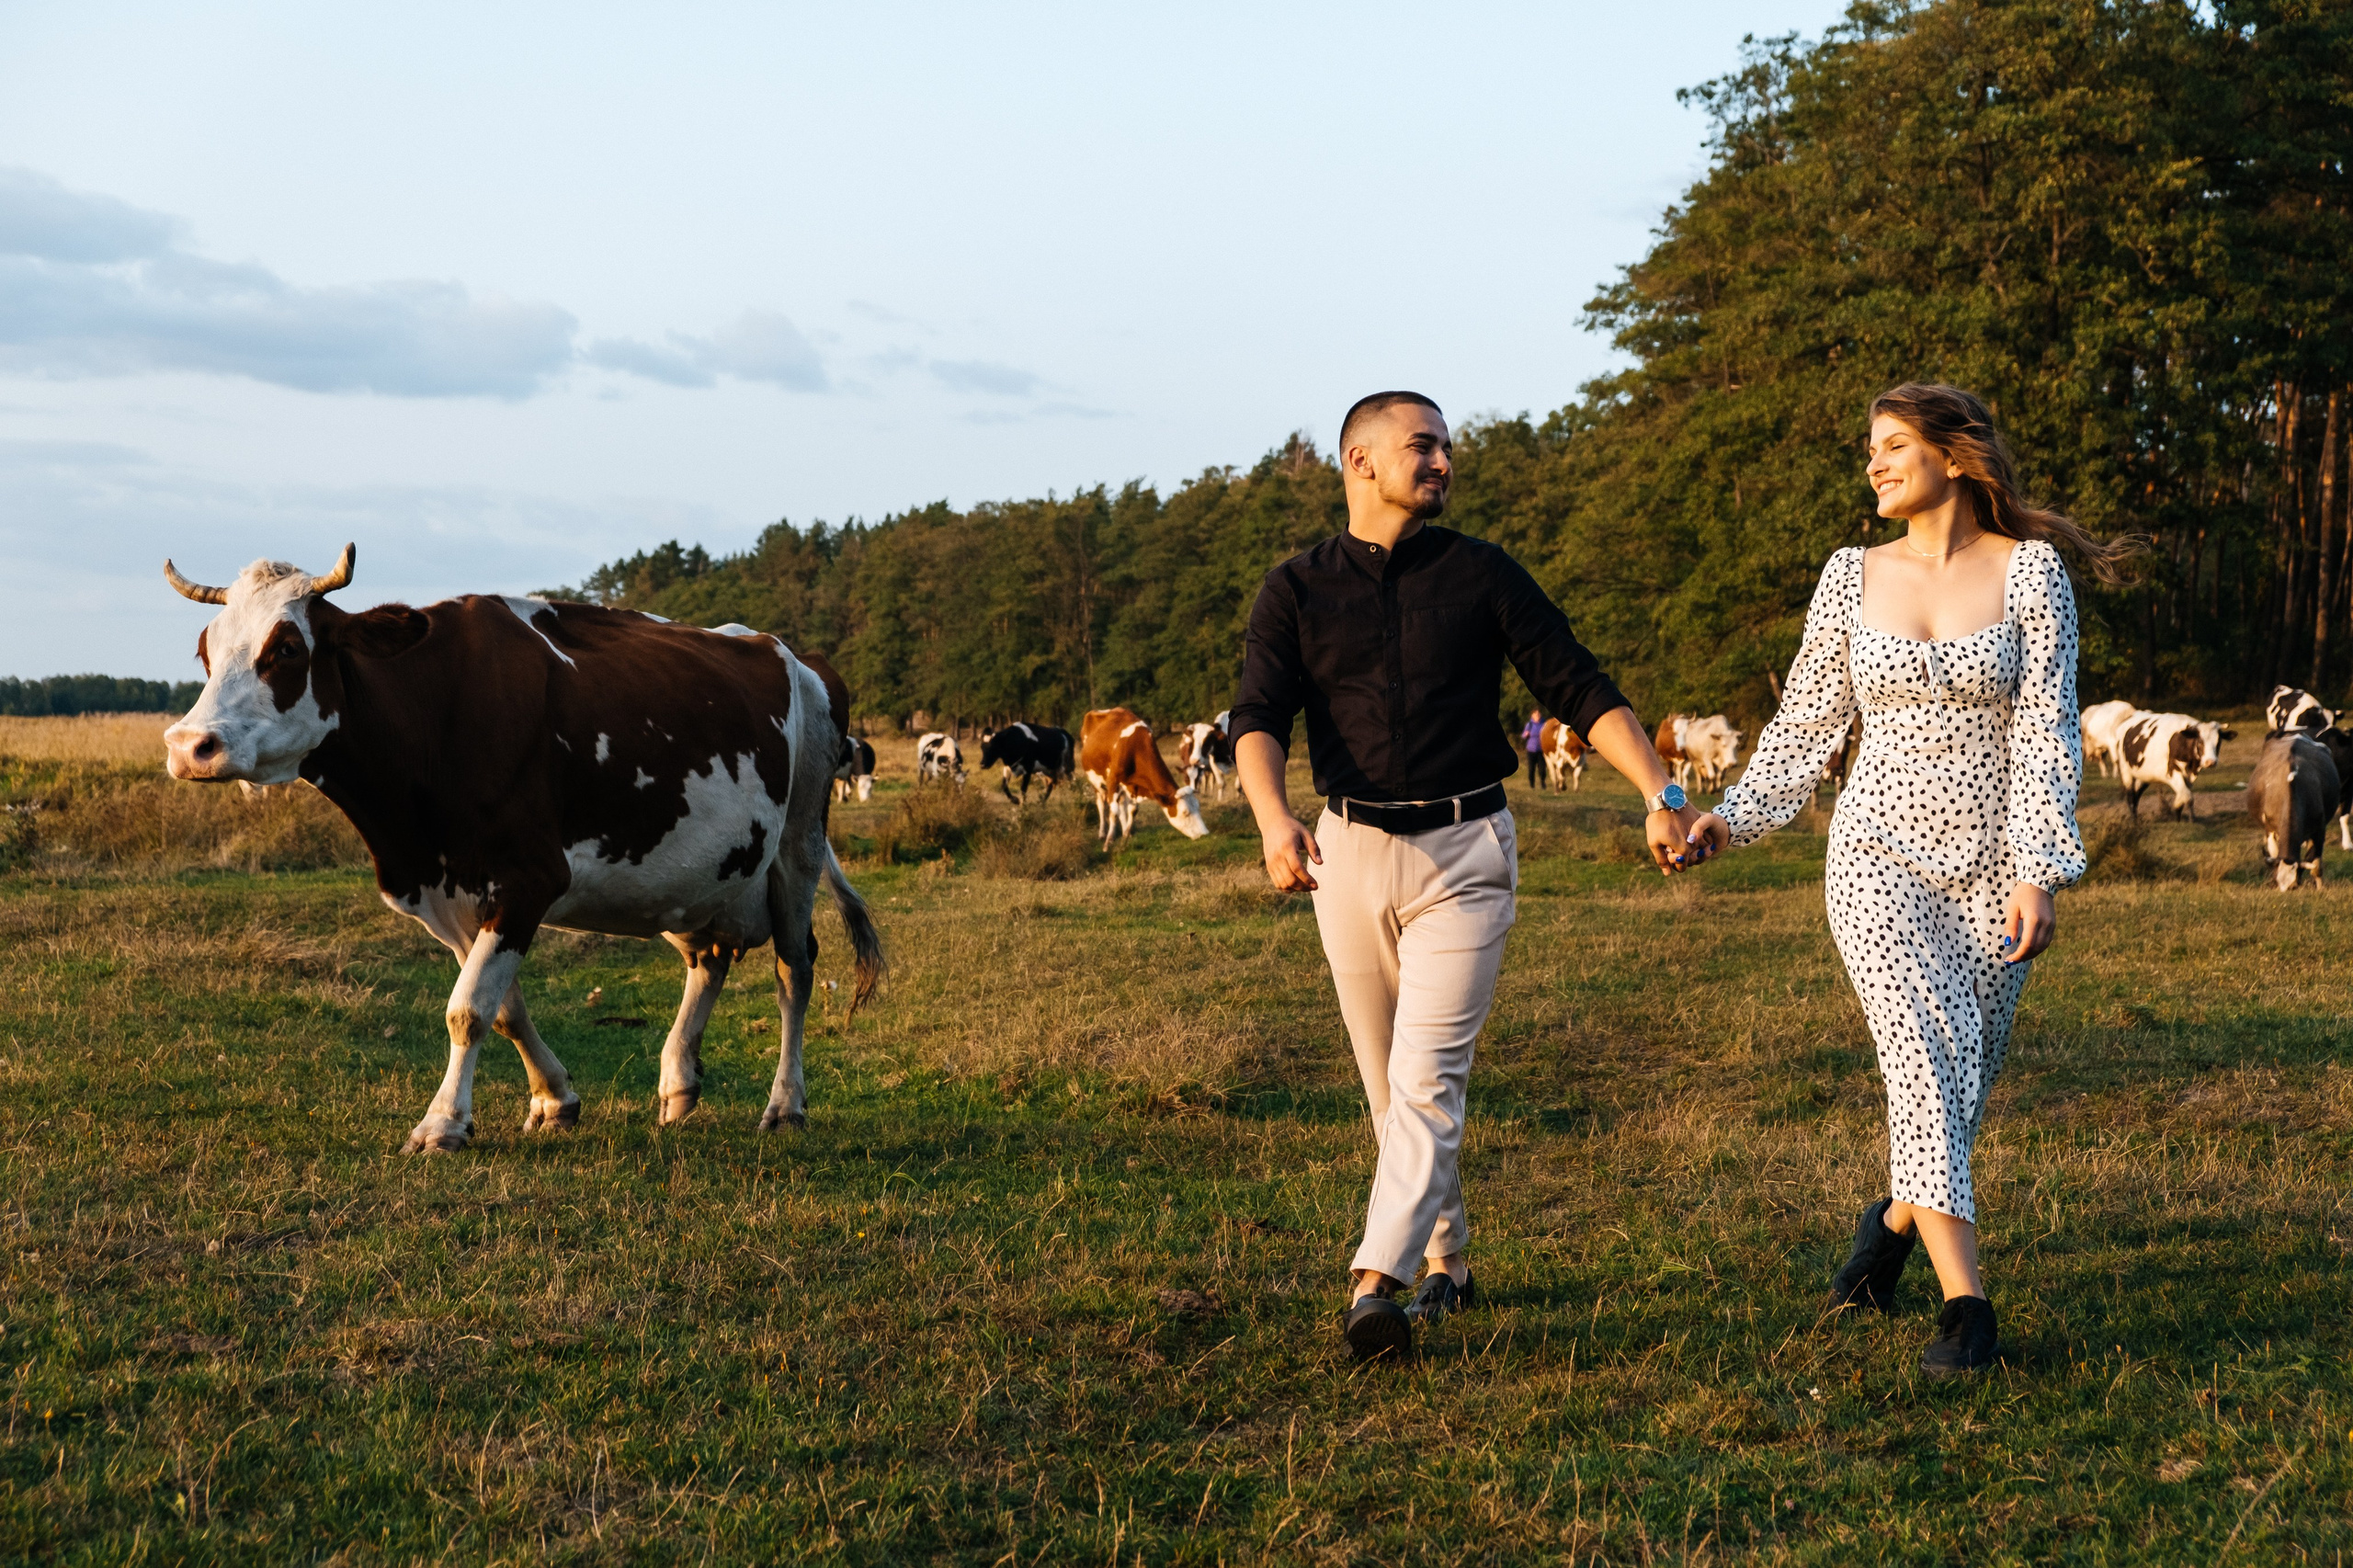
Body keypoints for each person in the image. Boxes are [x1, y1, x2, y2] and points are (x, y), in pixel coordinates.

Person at [1229, 390, 1711, 1364]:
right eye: (1423, 445)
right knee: (1384, 1084)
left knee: (1426, 1073)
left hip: (1466, 851)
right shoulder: (1296, 587)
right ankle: (1446, 1256)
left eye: (1447, 446)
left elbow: (1576, 681)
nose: (1443, 460)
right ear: (1359, 461)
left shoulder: (1483, 574)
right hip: (1345, 853)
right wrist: (1273, 817)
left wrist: (1659, 789)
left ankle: (1377, 1284)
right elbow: (1257, 716)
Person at [1687, 382, 2133, 1378]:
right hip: (1876, 855)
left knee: (1958, 1078)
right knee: (1923, 1059)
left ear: (1954, 455)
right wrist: (1737, 815)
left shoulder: (2030, 572)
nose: (1874, 464)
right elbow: (1807, 721)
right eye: (1870, 449)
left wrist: (2037, 870)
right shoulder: (1850, 575)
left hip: (1991, 867)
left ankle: (1885, 1231)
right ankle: (1966, 1308)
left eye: (1893, 445)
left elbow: (2046, 728)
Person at [1520, 708, 1546, 788]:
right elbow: (1523, 736)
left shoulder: (1544, 724)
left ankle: (1542, 782)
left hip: (1541, 750)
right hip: (1531, 750)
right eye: (1536, 714)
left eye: (1539, 714)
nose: (1538, 715)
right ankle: (1532, 785)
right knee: (1531, 769)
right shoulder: (1529, 724)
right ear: (1532, 715)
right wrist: (1526, 734)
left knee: (1542, 769)